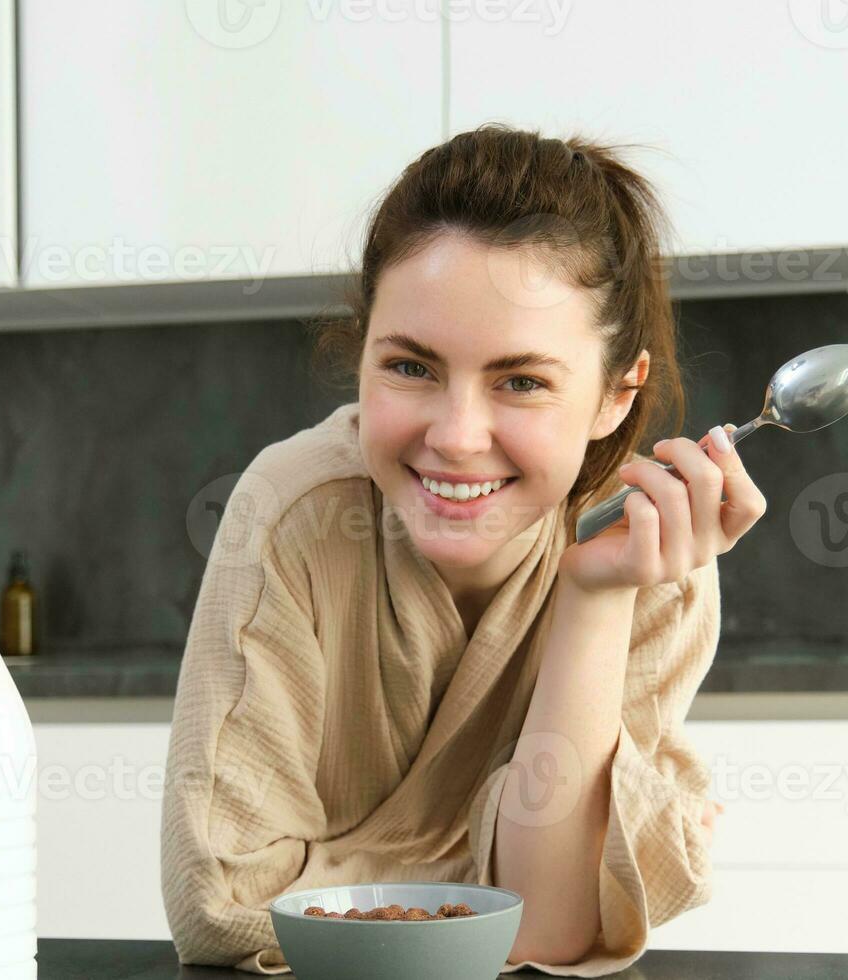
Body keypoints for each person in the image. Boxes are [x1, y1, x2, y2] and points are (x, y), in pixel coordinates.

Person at [160, 125, 766, 976]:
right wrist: (492, 880)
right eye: (410, 368)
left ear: (614, 396)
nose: (455, 437)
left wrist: (593, 600)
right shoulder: (293, 511)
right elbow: (220, 906)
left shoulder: (649, 555)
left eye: (521, 382)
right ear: (363, 349)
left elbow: (550, 934)